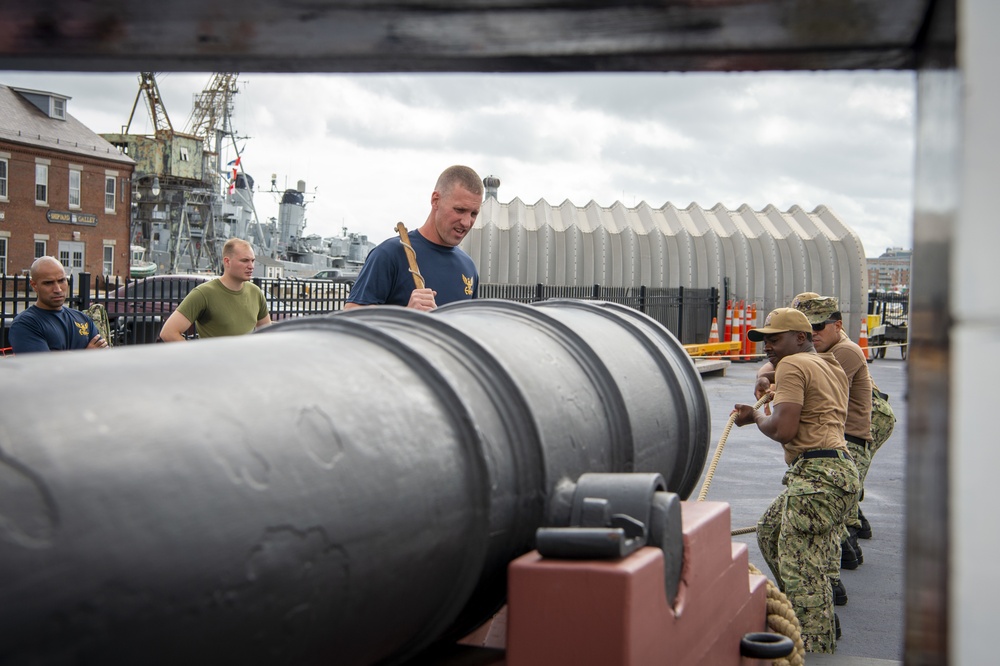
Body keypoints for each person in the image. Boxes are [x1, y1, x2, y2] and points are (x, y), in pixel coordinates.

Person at [733, 307, 859, 654]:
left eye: (775, 338)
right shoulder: (828, 363)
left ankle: (813, 645)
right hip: (838, 470)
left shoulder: (791, 365)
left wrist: (755, 415)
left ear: (800, 337)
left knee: (800, 564)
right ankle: (816, 614)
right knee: (771, 531)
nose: (767, 346)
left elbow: (783, 429)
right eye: (765, 340)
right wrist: (768, 380)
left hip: (818, 477)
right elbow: (783, 374)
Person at [345, 165, 482, 311]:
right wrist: (406, 315)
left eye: (474, 214)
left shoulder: (469, 267)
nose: (467, 222)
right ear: (436, 200)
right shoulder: (391, 254)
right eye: (459, 210)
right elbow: (350, 313)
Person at [159, 238, 271, 341]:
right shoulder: (204, 293)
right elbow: (168, 332)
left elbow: (267, 334)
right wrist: (199, 356)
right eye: (245, 260)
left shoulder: (256, 293)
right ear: (227, 261)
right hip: (215, 362)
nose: (251, 266)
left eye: (253, 260)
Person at [9, 256, 109, 353]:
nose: (58, 289)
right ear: (34, 285)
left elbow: (102, 361)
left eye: (61, 280)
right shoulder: (25, 324)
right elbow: (43, 367)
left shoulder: (83, 319)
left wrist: (63, 357)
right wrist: (86, 355)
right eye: (48, 283)